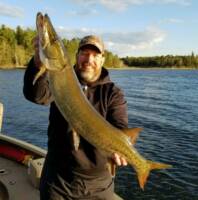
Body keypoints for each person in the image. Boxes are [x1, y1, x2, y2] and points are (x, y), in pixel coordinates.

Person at [23, 35, 128, 200]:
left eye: (95, 55)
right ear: (77, 56)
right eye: (84, 53)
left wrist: (120, 149)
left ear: (102, 60)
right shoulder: (61, 78)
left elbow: (120, 125)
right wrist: (37, 62)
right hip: (58, 180)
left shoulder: (113, 93)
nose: (89, 59)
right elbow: (36, 95)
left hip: (99, 185)